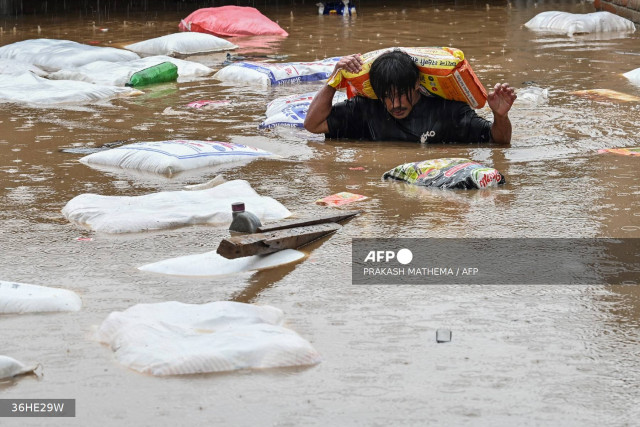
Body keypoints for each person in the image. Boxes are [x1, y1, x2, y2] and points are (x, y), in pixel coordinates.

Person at [304, 50, 517, 144]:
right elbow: (313, 124)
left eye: (400, 95)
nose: (395, 104)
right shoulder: (365, 109)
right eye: (387, 96)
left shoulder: (448, 112)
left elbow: (498, 142)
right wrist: (334, 80)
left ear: (417, 84)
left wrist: (500, 117)